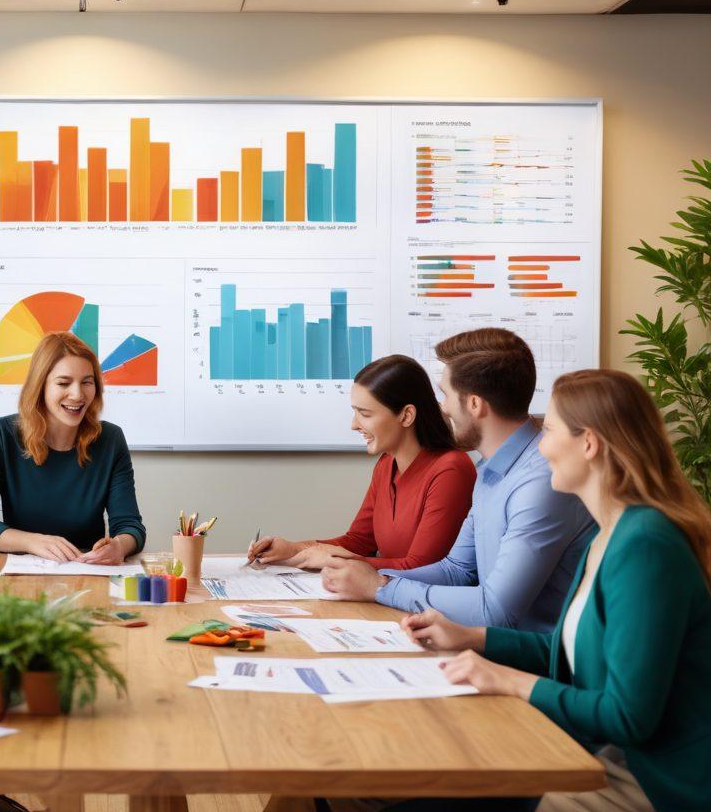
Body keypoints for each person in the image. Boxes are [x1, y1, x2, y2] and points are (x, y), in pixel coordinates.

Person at [395, 369, 711, 812]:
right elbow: (575, 654)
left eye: (549, 430)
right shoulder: (609, 534)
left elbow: (628, 717)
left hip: (648, 781)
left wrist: (509, 680)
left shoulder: (647, 545)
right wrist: (473, 638)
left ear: (589, 444)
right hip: (593, 753)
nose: (540, 447)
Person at [320, 329, 595, 631]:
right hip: (489, 647)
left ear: (475, 404)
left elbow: (496, 611)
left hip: (533, 661)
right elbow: (456, 570)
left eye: (446, 395)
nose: (443, 407)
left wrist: (381, 586)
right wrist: (367, 576)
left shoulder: (541, 482)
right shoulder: (490, 470)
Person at [248, 354, 475, 571]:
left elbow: (422, 567)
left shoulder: (451, 470)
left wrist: (330, 560)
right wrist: (293, 549)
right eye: (355, 412)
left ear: (406, 416)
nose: (354, 425)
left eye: (365, 414)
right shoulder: (386, 464)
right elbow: (358, 541)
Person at [0, 331, 146, 564]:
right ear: (41, 386)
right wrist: (33, 542)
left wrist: (120, 545)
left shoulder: (110, 438)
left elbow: (131, 526)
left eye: (87, 382)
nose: (78, 394)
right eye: (64, 383)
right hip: (22, 575)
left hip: (87, 573)